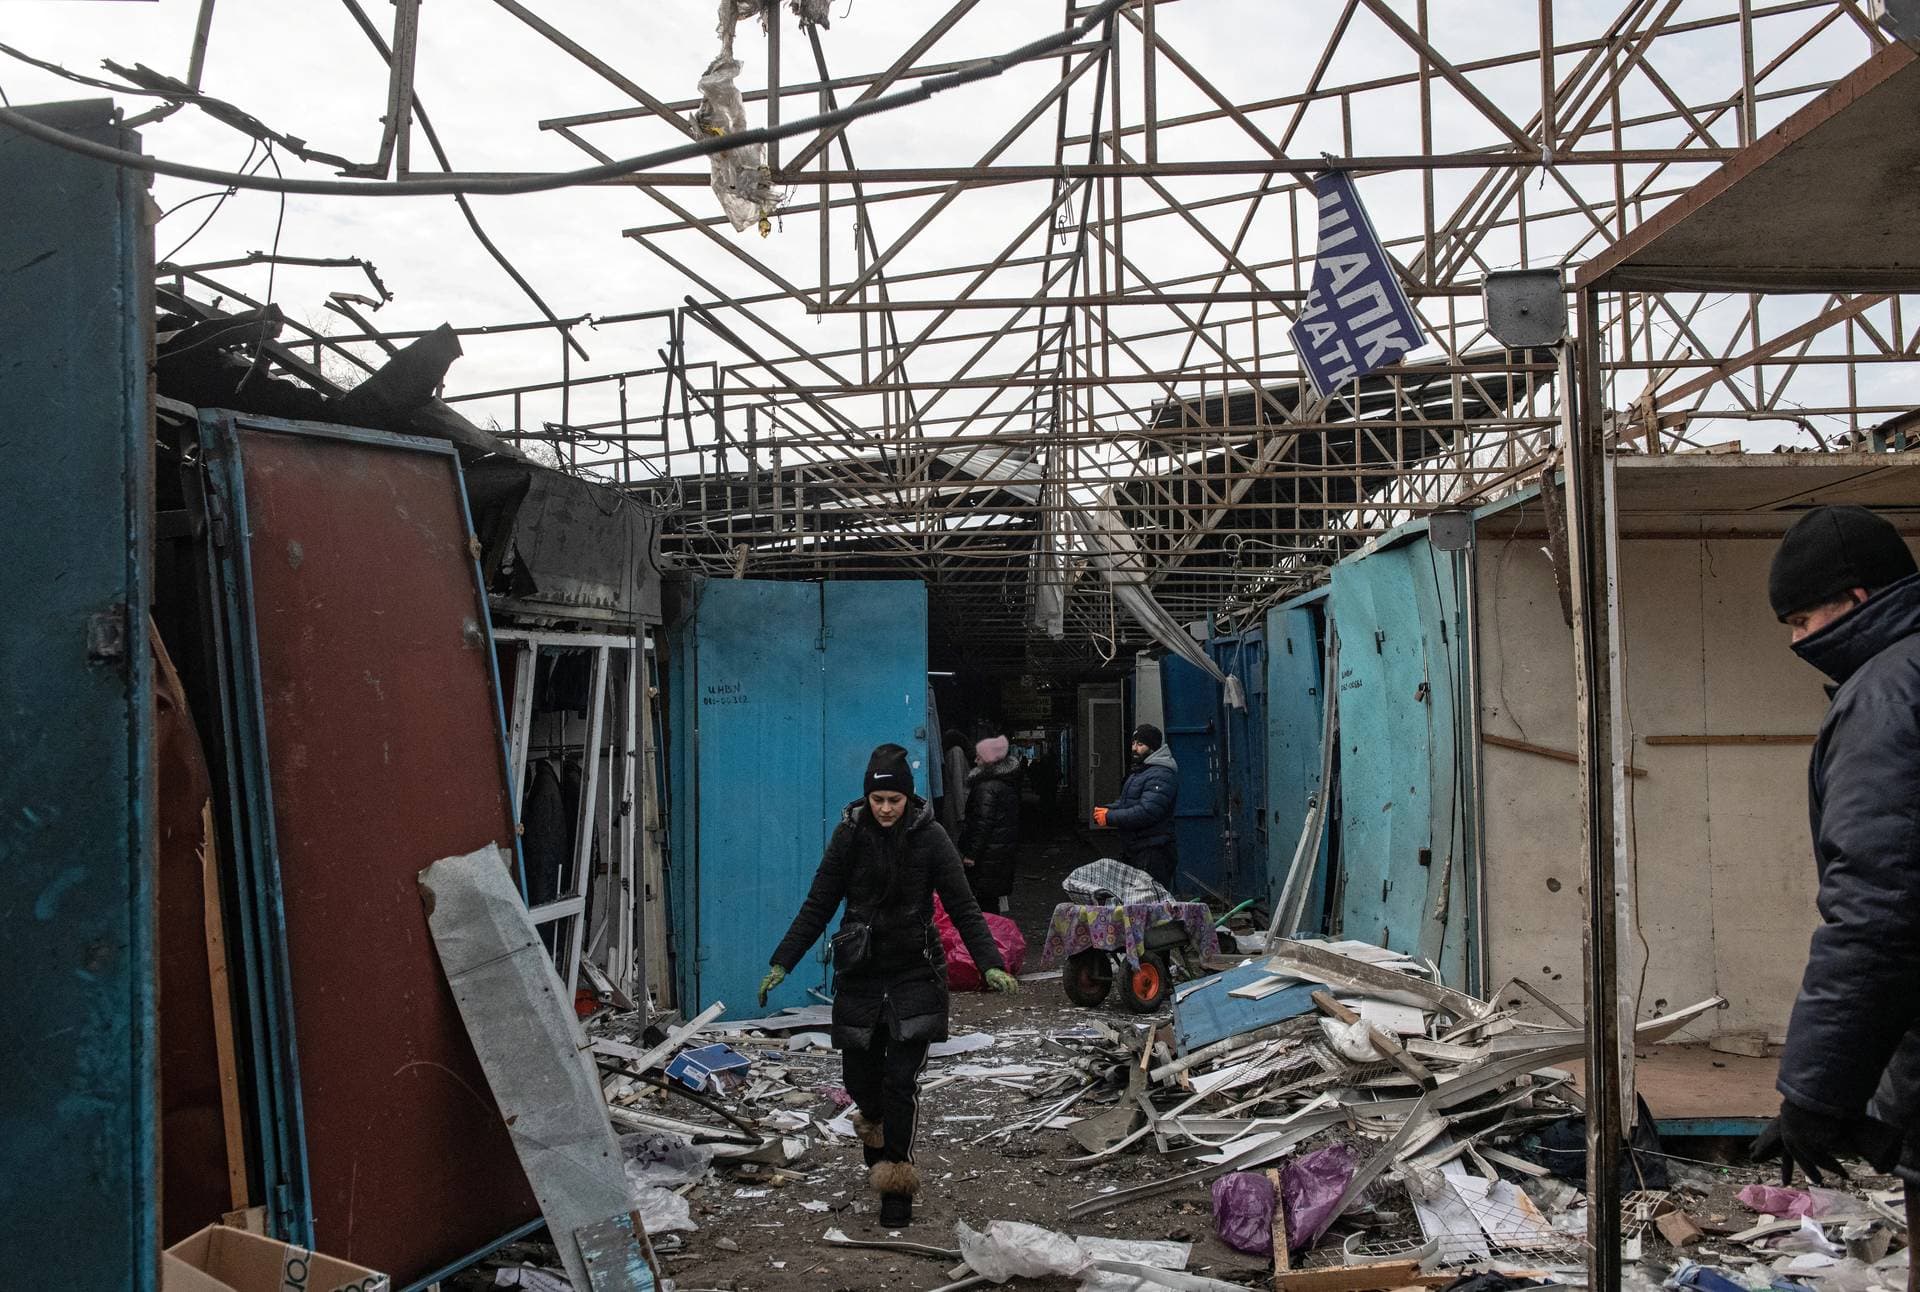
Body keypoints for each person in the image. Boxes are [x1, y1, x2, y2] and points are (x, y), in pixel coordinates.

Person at [757, 743, 1017, 1228]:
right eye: (878, 800)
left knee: (900, 1081)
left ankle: (897, 1181)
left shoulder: (931, 837)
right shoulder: (848, 836)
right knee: (861, 1081)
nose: (885, 809)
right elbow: (818, 905)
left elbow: (963, 906)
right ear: (867, 798)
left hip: (915, 973)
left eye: (894, 800)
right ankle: (873, 1130)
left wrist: (990, 964)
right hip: (860, 973)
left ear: (907, 798)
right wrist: (782, 963)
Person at [1753, 505, 1920, 1256]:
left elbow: (1883, 905)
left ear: (1856, 599)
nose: (1797, 642)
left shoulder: (1887, 696)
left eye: (1801, 617)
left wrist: (1818, 1091)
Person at [1093, 723, 1180, 888]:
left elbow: (1147, 811)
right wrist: (1108, 809)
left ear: (1153, 748)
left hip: (1154, 852)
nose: (1134, 748)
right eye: (1133, 743)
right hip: (1138, 849)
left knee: (1150, 906)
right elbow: (1129, 802)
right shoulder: (1141, 772)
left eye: (1140, 744)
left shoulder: (1161, 774)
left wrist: (1110, 817)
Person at [958, 732, 1022, 914]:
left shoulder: (986, 787)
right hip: (999, 854)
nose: (975, 759)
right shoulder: (1005, 783)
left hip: (987, 857)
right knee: (991, 902)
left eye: (980, 756)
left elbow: (982, 824)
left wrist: (971, 854)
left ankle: (988, 939)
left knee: (983, 904)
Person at [940, 728, 969, 840]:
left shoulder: (951, 752)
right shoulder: (956, 752)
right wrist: (961, 814)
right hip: (956, 805)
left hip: (952, 804)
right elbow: (958, 783)